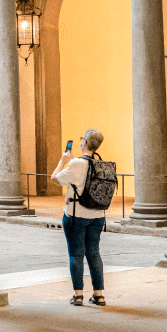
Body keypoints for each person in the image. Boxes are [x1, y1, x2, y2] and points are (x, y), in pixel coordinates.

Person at [51, 129, 107, 306]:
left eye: (82, 139)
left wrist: (62, 162)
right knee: (94, 253)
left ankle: (78, 296)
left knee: (76, 254)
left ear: (84, 143)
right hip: (98, 216)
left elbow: (55, 179)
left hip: (76, 215)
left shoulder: (75, 164)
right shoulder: (101, 164)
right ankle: (99, 295)